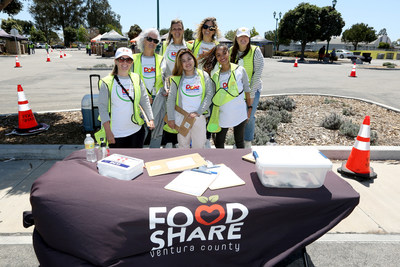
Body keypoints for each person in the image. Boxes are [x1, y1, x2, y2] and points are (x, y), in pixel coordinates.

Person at [97, 47, 154, 148]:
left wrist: (151, 119)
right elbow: (103, 109)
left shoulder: (137, 78)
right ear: (116, 61)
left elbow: (144, 100)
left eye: (128, 60)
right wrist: (108, 132)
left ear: (132, 62)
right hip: (116, 134)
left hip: (136, 132)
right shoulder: (106, 82)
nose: (125, 63)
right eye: (121, 59)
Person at [202, 44, 252, 149]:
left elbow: (247, 90)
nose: (222, 57)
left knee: (239, 142)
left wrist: (250, 107)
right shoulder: (215, 76)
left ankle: (239, 164)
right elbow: (212, 96)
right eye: (218, 55)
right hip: (223, 115)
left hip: (239, 112)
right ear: (216, 58)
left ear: (228, 53)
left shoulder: (240, 70)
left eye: (224, 53)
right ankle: (221, 164)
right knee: (219, 143)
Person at [166, 49, 214, 148]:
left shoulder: (203, 75)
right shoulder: (176, 79)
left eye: (189, 59)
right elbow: (171, 100)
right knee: (183, 147)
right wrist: (171, 118)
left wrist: (199, 112)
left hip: (199, 117)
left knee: (199, 147)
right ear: (180, 64)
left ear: (194, 59)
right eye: (183, 61)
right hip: (182, 118)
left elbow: (209, 94)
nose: (187, 63)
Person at [159, 19, 193, 148]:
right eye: (174, 29)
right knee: (169, 112)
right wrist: (165, 85)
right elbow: (161, 66)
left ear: (183, 30)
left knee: (182, 112)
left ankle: (181, 141)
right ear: (171, 31)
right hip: (169, 84)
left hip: (184, 85)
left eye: (179, 28)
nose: (177, 31)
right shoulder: (165, 46)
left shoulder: (188, 47)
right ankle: (168, 141)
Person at [230, 27, 264, 148]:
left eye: (245, 36)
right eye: (240, 36)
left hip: (253, 90)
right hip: (236, 92)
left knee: (249, 116)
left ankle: (247, 142)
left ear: (249, 38)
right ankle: (238, 142)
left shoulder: (256, 51)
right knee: (238, 116)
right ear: (236, 38)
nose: (243, 39)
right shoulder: (230, 51)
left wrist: (251, 94)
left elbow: (257, 73)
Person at [133, 28, 164, 148]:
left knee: (156, 131)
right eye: (149, 39)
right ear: (143, 40)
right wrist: (144, 97)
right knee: (140, 131)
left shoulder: (161, 60)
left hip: (158, 102)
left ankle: (154, 156)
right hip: (139, 102)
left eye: (155, 41)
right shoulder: (133, 59)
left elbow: (165, 80)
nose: (152, 42)